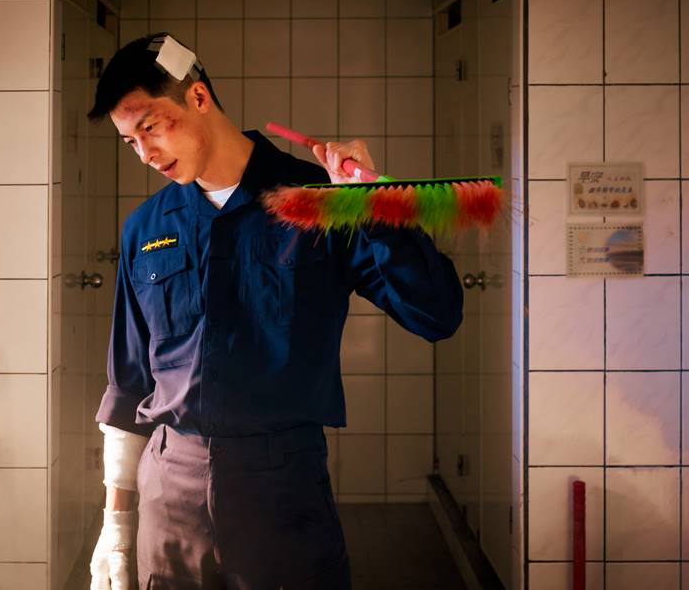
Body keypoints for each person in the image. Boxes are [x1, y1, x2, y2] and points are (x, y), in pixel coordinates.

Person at [86, 33, 463, 590]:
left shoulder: (320, 200)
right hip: (169, 490)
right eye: (129, 141)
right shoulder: (146, 227)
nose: (145, 153)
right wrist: (116, 526)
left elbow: (437, 314)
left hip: (281, 489)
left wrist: (377, 204)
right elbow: (128, 381)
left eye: (151, 126)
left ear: (197, 97)